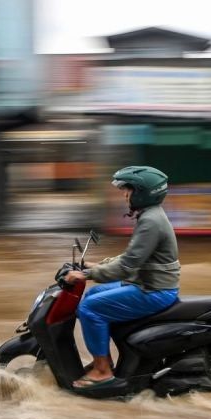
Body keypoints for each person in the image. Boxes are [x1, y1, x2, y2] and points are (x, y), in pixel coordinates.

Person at [64, 166, 180, 390]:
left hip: (154, 291)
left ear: (143, 192)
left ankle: (103, 371)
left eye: (128, 190)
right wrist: (99, 265)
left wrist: (86, 274)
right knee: (94, 294)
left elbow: (128, 266)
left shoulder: (150, 222)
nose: (125, 195)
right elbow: (132, 257)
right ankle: (104, 360)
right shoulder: (150, 216)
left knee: (89, 308)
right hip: (147, 283)